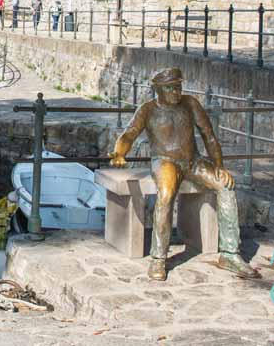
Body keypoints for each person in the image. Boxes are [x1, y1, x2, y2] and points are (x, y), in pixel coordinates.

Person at [110, 68, 259, 282]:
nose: (176, 92)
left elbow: (209, 136)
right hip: (165, 161)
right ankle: (158, 257)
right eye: (170, 88)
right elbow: (129, 134)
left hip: (193, 161)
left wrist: (219, 166)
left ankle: (230, 254)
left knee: (226, 186)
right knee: (166, 195)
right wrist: (119, 153)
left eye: (178, 87)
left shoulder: (190, 104)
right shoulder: (147, 109)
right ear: (157, 90)